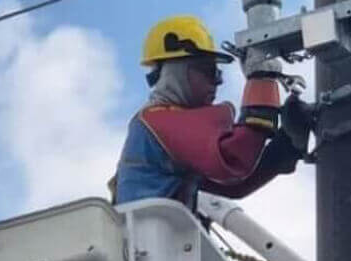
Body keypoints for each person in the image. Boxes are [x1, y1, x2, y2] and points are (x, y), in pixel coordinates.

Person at [111, 15, 309, 208]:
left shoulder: (164, 138)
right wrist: (262, 80)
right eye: (210, 72)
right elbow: (233, 160)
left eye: (218, 74)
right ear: (179, 71)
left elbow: (236, 186)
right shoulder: (156, 121)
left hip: (159, 237)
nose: (217, 82)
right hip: (154, 236)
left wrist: (286, 144)